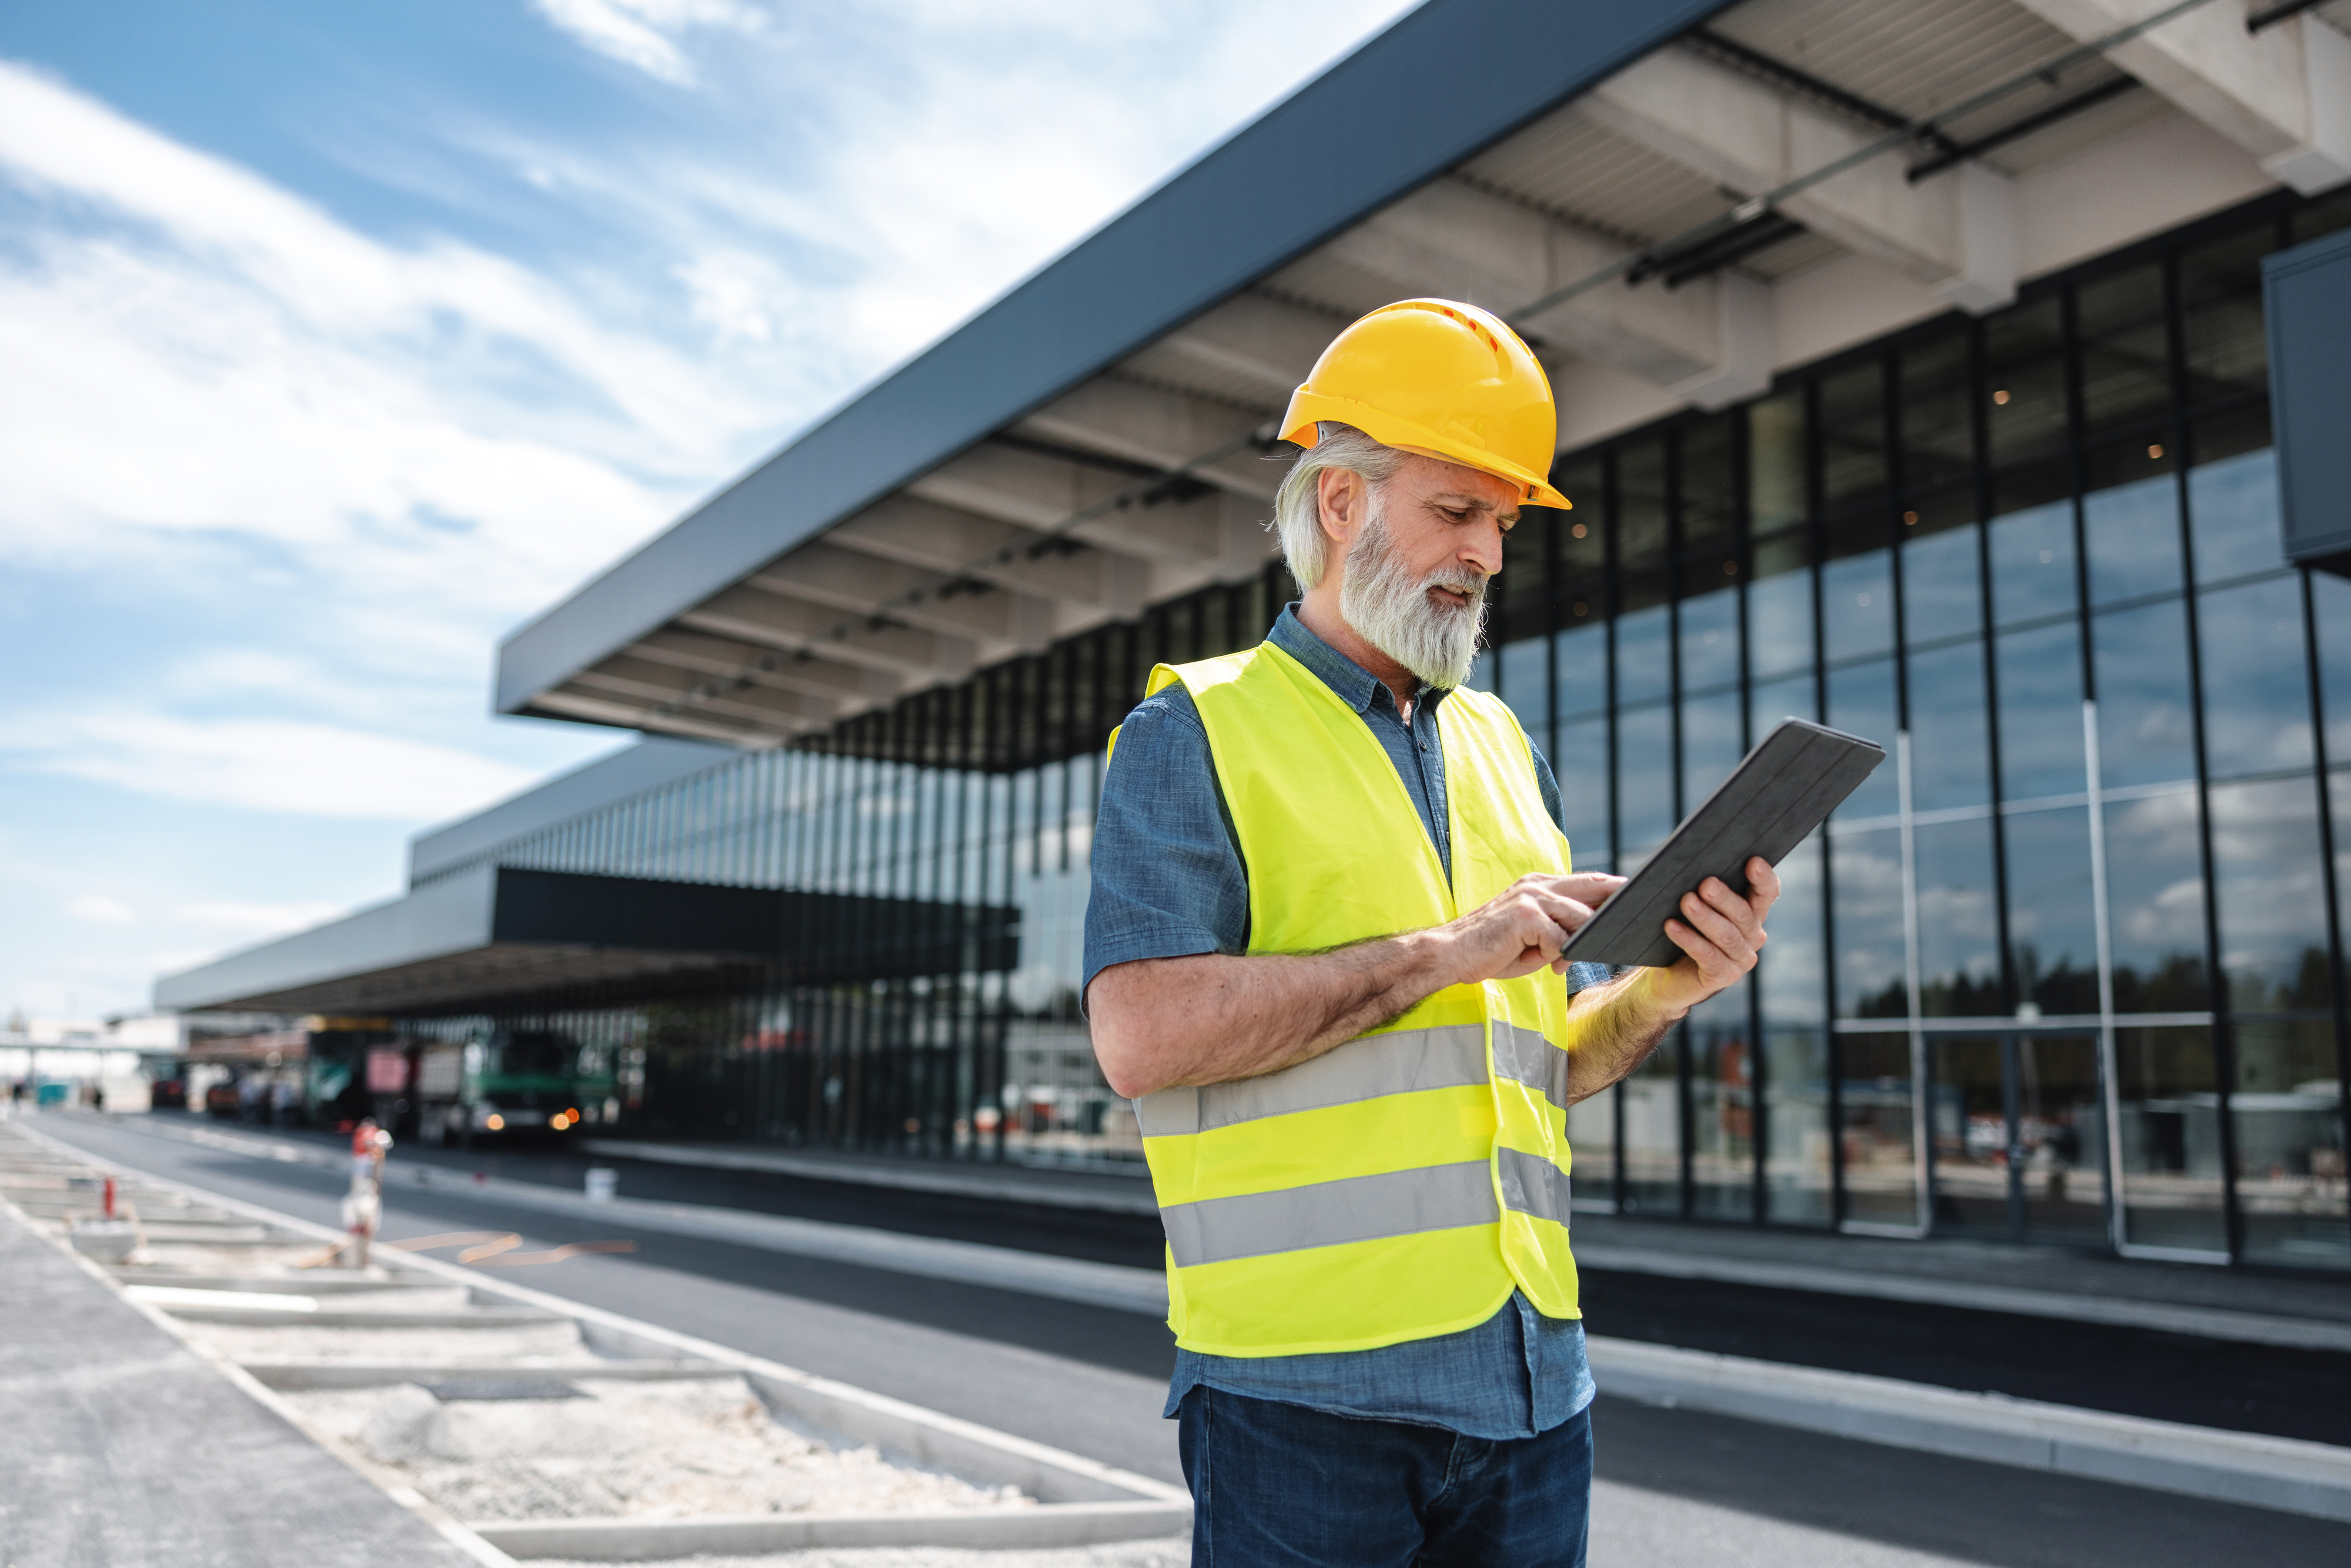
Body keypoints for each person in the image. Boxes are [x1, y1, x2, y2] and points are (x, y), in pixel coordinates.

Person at [1083, 299, 1780, 1566]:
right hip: (1304, 1396)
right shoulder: (1195, 731)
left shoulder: (1501, 745)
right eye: (1455, 511)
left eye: (1502, 525)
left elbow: (1532, 1066)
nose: (1487, 554)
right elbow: (1138, 1037)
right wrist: (1444, 950)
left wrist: (1664, 990)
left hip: (1530, 1380)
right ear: (1339, 505)